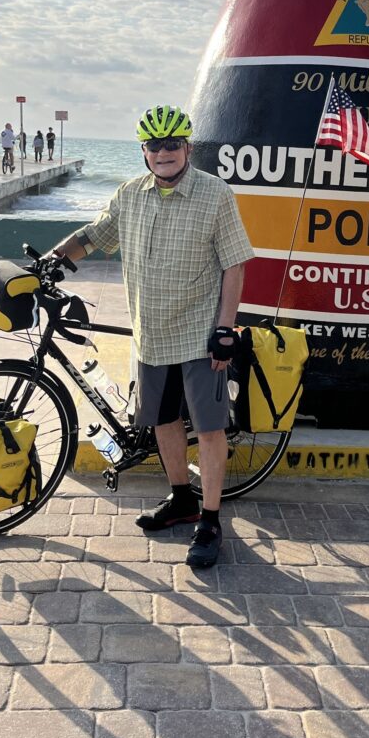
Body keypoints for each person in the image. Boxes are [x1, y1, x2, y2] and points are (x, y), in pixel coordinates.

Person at [48, 105, 254, 568]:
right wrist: (50, 260)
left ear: (187, 147)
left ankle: (211, 519)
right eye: (154, 145)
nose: (163, 153)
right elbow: (94, 235)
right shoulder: (129, 195)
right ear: (143, 151)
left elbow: (234, 263)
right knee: (162, 422)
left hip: (200, 336)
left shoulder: (215, 194)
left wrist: (225, 328)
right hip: (151, 335)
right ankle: (182, 499)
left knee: (208, 428)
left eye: (171, 144)